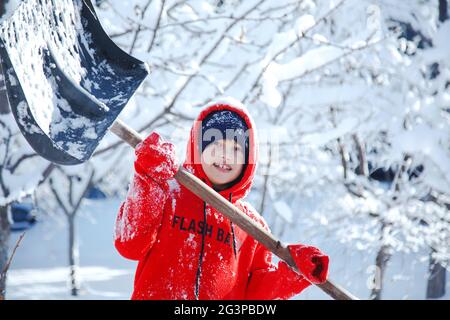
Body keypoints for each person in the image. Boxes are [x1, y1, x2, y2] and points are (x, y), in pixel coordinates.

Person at [114, 98, 329, 300]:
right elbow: (130, 245)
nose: (225, 155)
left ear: (248, 159)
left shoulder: (252, 225)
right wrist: (148, 178)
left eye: (235, 148)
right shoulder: (167, 194)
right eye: (215, 145)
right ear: (198, 148)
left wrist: (295, 272)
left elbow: (255, 293)